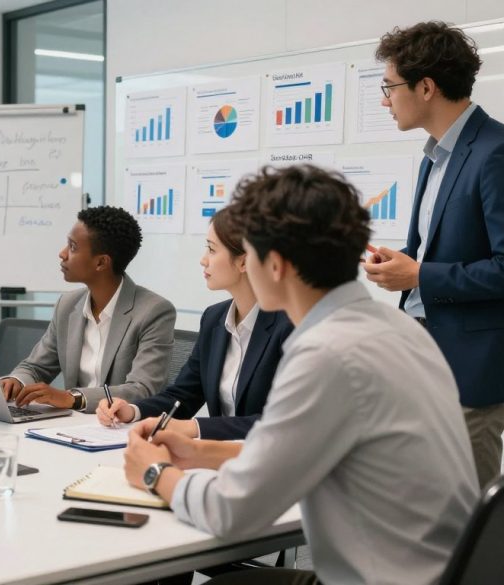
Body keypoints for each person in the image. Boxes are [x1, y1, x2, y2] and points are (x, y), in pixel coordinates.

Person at [124, 165, 478, 585]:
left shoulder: (328, 355)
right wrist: (201, 454)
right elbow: (303, 448)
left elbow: (230, 513)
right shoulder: (395, 327)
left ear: (274, 265)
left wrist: (154, 472)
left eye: (248, 253)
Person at [363, 21, 504, 489]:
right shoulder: (433, 156)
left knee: (464, 524)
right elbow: (438, 249)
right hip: (423, 358)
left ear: (426, 87)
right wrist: (401, 261)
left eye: (390, 87)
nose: (385, 99)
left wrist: (421, 274)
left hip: (471, 373)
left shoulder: (495, 152)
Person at [96, 208, 293, 439]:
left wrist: (196, 427)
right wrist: (133, 411)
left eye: (211, 249)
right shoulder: (214, 318)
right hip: (218, 457)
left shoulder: (289, 324)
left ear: (243, 262)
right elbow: (184, 395)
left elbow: (284, 420)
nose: (203, 259)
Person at [0, 206, 176, 413]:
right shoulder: (67, 305)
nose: (62, 254)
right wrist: (16, 381)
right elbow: (36, 367)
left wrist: (72, 398)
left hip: (120, 427)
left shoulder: (154, 311)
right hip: (72, 427)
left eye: (73, 247)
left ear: (101, 262)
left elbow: (142, 389)